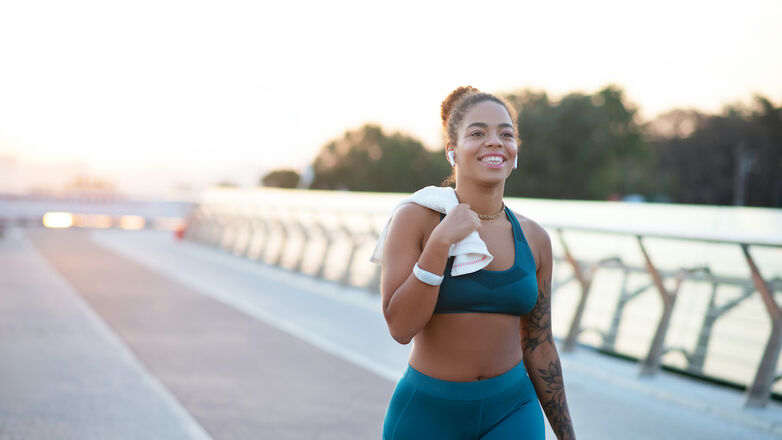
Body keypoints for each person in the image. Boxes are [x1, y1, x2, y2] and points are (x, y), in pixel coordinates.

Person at [378, 86, 575, 439]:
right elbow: (400, 328)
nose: (494, 141)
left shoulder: (534, 238)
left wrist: (567, 435)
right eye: (477, 133)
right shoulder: (417, 218)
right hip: (429, 412)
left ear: (516, 151)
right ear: (452, 150)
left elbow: (540, 343)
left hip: (513, 409)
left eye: (506, 134)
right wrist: (439, 244)